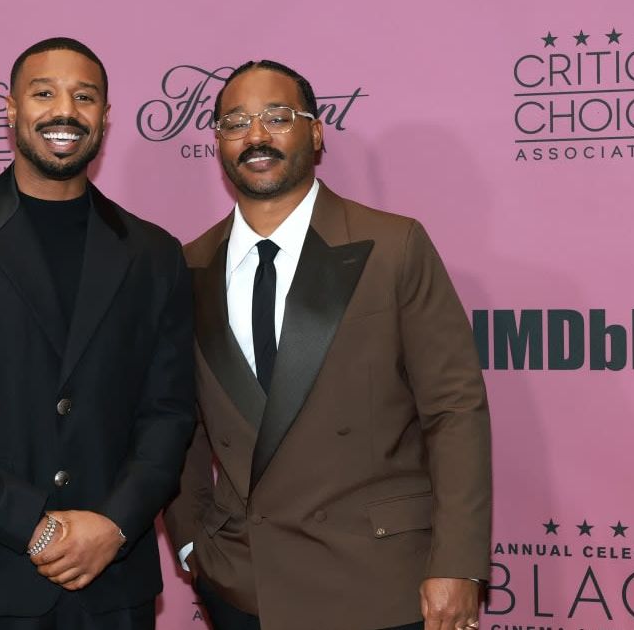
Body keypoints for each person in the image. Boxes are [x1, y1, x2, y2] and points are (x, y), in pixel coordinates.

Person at [163, 59, 492, 630]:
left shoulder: (393, 247)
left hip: (380, 583)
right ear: (217, 143)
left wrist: (458, 564)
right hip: (244, 584)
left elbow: (454, 411)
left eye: (277, 116)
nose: (256, 135)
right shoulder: (185, 267)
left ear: (315, 132)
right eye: (236, 122)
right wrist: (193, 543)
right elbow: (175, 420)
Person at [0, 37, 194, 630]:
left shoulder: (155, 254)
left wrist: (115, 524)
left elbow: (170, 413)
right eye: (44, 93)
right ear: (11, 108)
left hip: (111, 583)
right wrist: (34, 524)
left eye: (84, 96)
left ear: (105, 116)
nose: (64, 111)